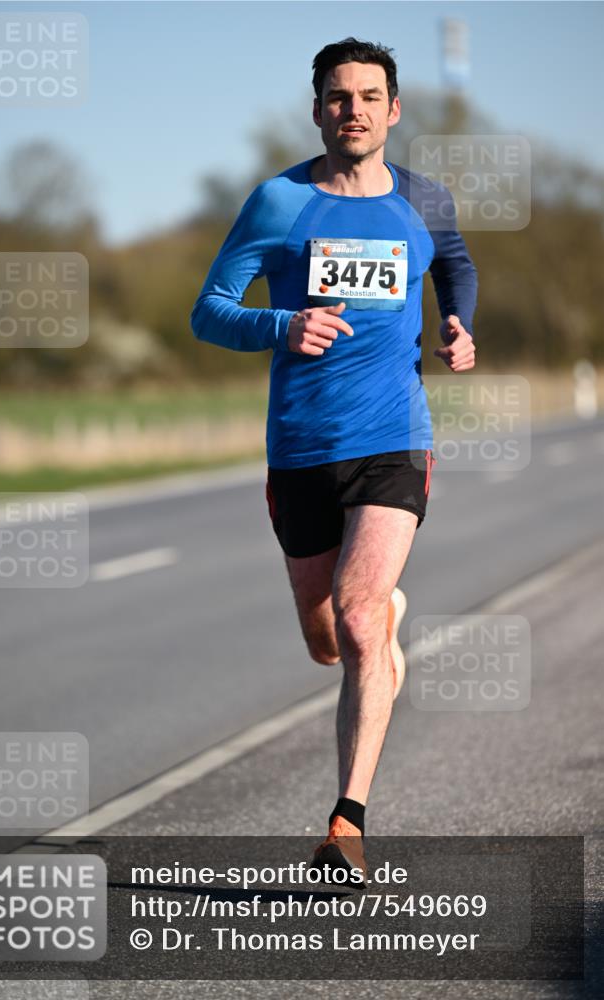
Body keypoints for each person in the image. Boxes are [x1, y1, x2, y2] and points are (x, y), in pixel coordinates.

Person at [191, 37, 477, 880]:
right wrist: (282, 325)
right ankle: (375, 626)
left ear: (393, 111)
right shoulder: (278, 204)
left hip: (393, 438)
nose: (352, 108)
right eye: (336, 96)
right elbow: (208, 311)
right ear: (317, 109)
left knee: (357, 620)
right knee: (328, 639)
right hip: (300, 449)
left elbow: (454, 265)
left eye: (368, 95)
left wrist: (458, 324)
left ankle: (345, 823)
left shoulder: (422, 200)